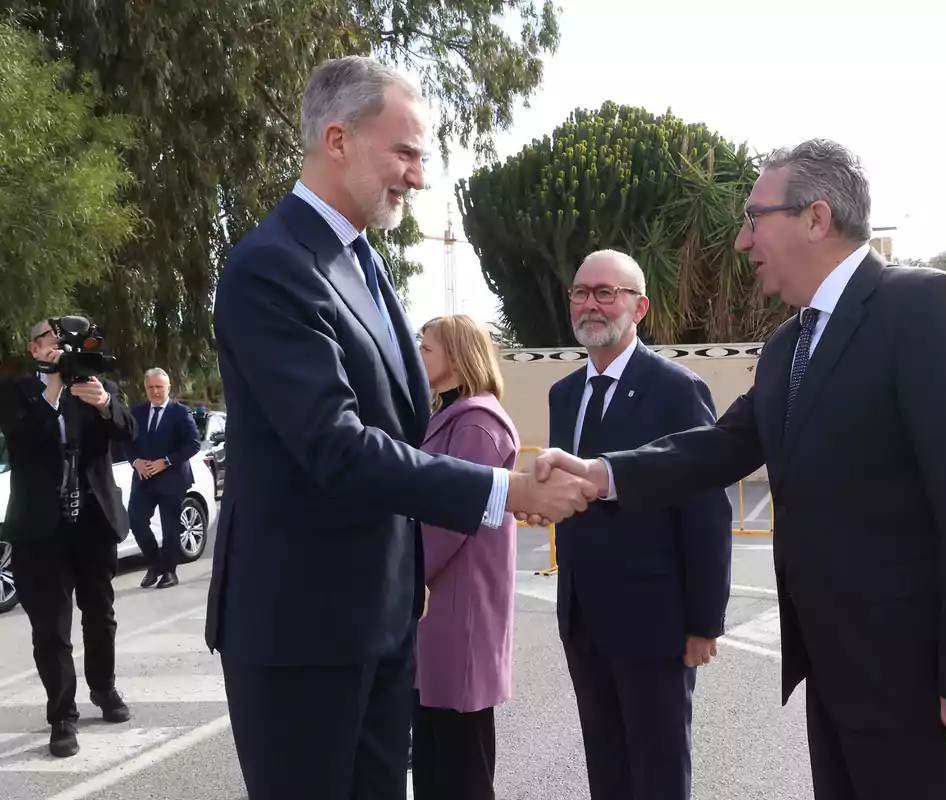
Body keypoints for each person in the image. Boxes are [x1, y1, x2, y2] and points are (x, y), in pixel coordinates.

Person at [529, 139, 946, 800]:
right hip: (832, 665)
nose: (744, 240)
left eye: (755, 218)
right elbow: (722, 446)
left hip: (915, 675)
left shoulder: (924, 307)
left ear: (816, 217)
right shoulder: (790, 343)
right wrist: (601, 473)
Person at [204, 56, 595, 800]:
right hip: (302, 633)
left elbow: (407, 429)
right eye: (406, 152)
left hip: (381, 620)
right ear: (337, 139)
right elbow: (337, 446)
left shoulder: (362, 261)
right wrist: (505, 489)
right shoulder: (270, 268)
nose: (418, 177)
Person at [548, 250, 732, 800]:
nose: (591, 304)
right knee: (605, 766)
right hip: (583, 619)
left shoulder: (676, 389)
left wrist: (704, 621)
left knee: (657, 771)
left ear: (640, 306)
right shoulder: (564, 395)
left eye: (607, 292)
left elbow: (707, 507)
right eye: (581, 292)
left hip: (656, 624)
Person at [0, 318, 134, 758]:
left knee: (101, 614)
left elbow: (127, 432)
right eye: (50, 341)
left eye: (64, 341)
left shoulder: (96, 385)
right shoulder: (17, 393)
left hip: (93, 523)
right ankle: (62, 717)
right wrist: (54, 387)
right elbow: (22, 437)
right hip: (40, 529)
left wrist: (103, 404)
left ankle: (105, 689)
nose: (58, 347)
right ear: (33, 349)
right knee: (50, 628)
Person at [411, 315, 519, 800]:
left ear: (455, 358)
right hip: (443, 608)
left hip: (460, 609)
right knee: (437, 756)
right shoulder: (450, 416)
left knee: (462, 767)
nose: (419, 355)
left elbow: (449, 516)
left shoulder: (476, 423)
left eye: (427, 347)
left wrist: (405, 572)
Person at [128, 367, 202, 589]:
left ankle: (170, 572)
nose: (155, 391)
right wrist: (135, 461)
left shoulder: (181, 412)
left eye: (159, 387)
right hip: (143, 477)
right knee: (137, 521)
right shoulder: (137, 412)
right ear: (145, 388)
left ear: (168, 387)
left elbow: (193, 444)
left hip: (172, 477)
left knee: (170, 527)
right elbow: (125, 440)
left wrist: (166, 461)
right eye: (150, 387)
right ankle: (155, 564)